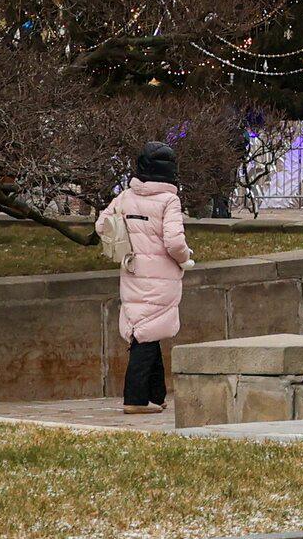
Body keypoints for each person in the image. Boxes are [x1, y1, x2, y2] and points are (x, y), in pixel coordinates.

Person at [107, 143, 193, 413]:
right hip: (161, 275)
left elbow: (102, 225)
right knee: (146, 332)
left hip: (132, 270)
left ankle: (156, 396)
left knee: (146, 328)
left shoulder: (126, 197)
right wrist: (185, 258)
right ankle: (135, 399)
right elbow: (175, 242)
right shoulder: (169, 200)